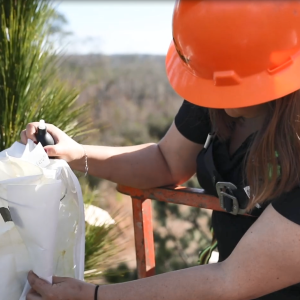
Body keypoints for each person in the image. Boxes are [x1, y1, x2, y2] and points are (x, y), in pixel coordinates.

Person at [22, 1, 300, 299]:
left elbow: (232, 280)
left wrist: (95, 296)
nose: (218, 96)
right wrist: (77, 154)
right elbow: (167, 162)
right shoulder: (215, 77)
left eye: (236, 82)